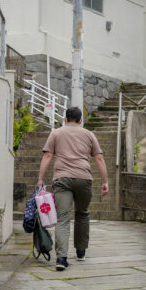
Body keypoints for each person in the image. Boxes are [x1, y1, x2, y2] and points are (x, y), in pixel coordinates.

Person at [36, 106, 109, 271]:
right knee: (82, 213)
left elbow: (47, 155)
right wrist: (105, 181)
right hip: (83, 178)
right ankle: (81, 251)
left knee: (63, 218)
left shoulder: (56, 133)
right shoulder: (89, 134)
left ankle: (61, 258)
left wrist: (40, 179)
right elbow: (99, 158)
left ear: (65, 119)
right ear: (81, 120)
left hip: (62, 178)